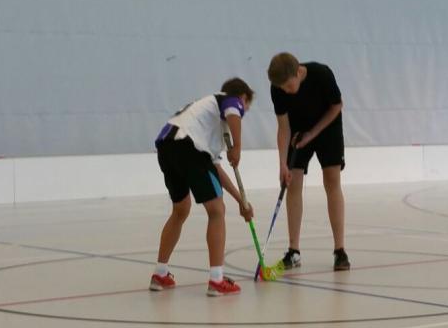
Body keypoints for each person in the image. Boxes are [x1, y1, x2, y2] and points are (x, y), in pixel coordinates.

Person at [150, 78, 255, 297]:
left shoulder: (206, 120)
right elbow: (234, 111)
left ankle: (160, 274)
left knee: (181, 209)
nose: (243, 111)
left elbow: (214, 169)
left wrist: (241, 201)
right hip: (188, 147)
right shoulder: (229, 100)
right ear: (243, 97)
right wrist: (237, 148)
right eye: (246, 106)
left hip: (167, 146)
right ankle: (217, 280)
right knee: (217, 211)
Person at [267, 52, 350, 272]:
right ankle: (293, 251)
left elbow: (337, 106)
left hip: (328, 128)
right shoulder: (277, 88)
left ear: (298, 72)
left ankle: (340, 250)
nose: (285, 91)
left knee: (332, 181)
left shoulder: (321, 74)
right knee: (293, 183)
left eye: (288, 86)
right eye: (282, 88)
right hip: (298, 133)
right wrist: (282, 163)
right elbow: (284, 127)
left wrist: (312, 134)